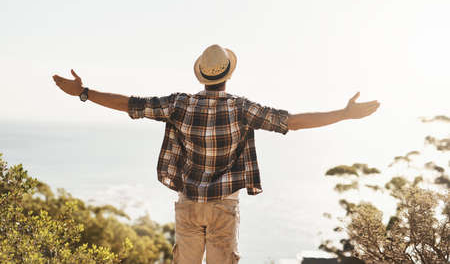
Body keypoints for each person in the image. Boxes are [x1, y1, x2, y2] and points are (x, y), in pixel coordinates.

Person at [52, 44, 380, 264]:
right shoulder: (241, 109)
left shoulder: (179, 104)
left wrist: (83, 92)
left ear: (202, 75)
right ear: (227, 74)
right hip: (224, 206)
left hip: (188, 205)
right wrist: (344, 114)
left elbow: (130, 105)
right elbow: (291, 123)